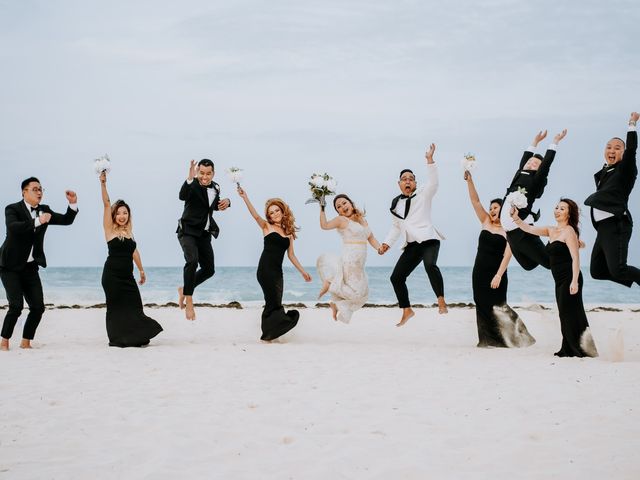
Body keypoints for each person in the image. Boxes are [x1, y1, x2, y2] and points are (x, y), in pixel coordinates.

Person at [511, 199, 598, 358]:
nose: (557, 210)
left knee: (570, 313)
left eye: (562, 208)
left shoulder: (569, 231)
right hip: (558, 280)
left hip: (570, 278)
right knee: (565, 313)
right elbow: (528, 229)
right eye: (556, 207)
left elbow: (575, 258)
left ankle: (576, 349)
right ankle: (571, 347)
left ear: (569, 213)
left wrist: (574, 281)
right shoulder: (551, 230)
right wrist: (516, 218)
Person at [0, 177, 78, 350]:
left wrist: (72, 205)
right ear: (24, 192)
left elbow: (66, 220)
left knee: (38, 307)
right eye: (35, 189)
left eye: (41, 189)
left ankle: (26, 341)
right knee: (16, 306)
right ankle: (4, 341)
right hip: (9, 266)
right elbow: (14, 227)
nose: (39, 192)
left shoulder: (44, 210)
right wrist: (38, 221)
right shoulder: (12, 209)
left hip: (30, 267)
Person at [378, 143, 447, 326]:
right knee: (396, 278)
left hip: (429, 239)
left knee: (430, 265)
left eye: (411, 179)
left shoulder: (424, 193)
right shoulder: (395, 204)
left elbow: (434, 182)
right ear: (399, 183)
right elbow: (396, 227)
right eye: (404, 179)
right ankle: (407, 310)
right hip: (412, 245)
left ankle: (440, 300)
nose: (407, 181)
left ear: (415, 183)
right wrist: (386, 244)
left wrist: (430, 161)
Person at [464, 171, 535, 348]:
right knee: (481, 304)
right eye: (491, 208)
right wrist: (470, 181)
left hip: (497, 273)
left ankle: (521, 337)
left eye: (496, 208)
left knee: (499, 306)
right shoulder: (486, 222)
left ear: (503, 210)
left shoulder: (508, 229)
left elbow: (507, 255)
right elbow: (475, 202)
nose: (492, 210)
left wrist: (498, 275)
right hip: (479, 272)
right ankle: (487, 340)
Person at [236, 187, 312, 342]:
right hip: (265, 270)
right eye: (271, 212)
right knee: (272, 301)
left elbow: (291, 255)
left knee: (275, 301)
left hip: (278, 272)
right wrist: (245, 197)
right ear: (268, 216)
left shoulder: (288, 233)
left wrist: (303, 271)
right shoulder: (266, 226)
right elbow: (255, 215)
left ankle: (270, 333)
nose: (274, 214)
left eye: (277, 210)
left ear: (283, 211)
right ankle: (268, 334)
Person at [99, 171, 162, 347]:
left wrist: (141, 270)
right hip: (112, 276)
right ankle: (118, 339)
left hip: (127, 277)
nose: (121, 216)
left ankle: (135, 336)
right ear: (114, 215)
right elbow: (106, 204)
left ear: (128, 215)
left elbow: (134, 252)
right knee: (115, 308)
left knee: (135, 305)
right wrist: (103, 184)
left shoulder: (129, 232)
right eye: (118, 213)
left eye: (125, 213)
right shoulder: (110, 230)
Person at [584, 112, 640, 287]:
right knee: (596, 271)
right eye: (609, 147)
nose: (612, 150)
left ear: (623, 153)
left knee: (619, 270)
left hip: (617, 224)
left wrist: (632, 124)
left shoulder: (625, 170)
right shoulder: (605, 171)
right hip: (603, 228)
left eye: (617, 148)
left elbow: (631, 150)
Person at [500, 129, 567, 270]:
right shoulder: (520, 172)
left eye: (535, 165)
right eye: (529, 162)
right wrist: (535, 142)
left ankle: (558, 238)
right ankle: (551, 239)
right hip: (510, 234)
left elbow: (547, 163)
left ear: (539, 170)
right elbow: (525, 158)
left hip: (522, 231)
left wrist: (554, 142)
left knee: (549, 263)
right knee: (528, 265)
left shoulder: (536, 180)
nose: (530, 164)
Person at [177, 159, 231, 321]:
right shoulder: (192, 185)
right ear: (197, 172)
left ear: (213, 173)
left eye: (208, 173)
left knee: (209, 269)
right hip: (187, 231)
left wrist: (227, 203)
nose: (205, 177)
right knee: (192, 261)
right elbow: (182, 196)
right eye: (202, 173)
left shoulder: (216, 187)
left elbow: (211, 206)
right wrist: (190, 178)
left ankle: (184, 288)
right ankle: (189, 300)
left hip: (204, 234)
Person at [316, 194, 382, 323]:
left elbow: (371, 237)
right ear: (338, 211)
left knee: (362, 293)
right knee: (358, 293)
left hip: (360, 262)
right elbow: (324, 225)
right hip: (350, 259)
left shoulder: (361, 219)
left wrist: (379, 248)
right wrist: (322, 208)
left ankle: (336, 303)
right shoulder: (341, 220)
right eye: (338, 207)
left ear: (351, 203)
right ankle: (331, 283)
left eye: (344, 203)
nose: (342, 207)